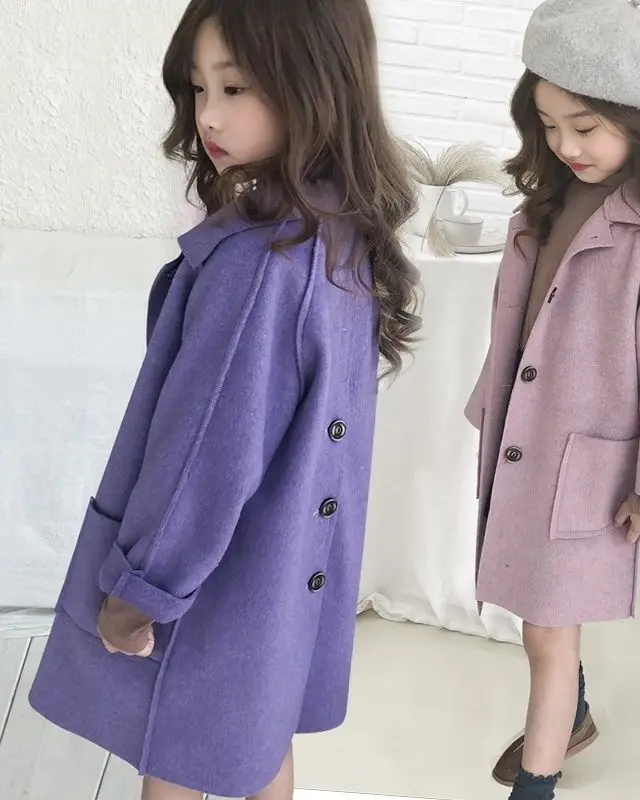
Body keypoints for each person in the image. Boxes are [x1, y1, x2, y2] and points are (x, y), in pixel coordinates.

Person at [28, 1, 421, 798]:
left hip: (215, 584)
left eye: (235, 87)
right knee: (254, 740)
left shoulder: (260, 264)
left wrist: (139, 590)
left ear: (316, 84)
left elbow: (205, 456)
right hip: (275, 577)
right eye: (198, 87)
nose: (207, 115)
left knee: (176, 757)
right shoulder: (337, 230)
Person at [464, 1, 640, 798]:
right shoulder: (541, 207)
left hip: (589, 469)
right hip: (526, 448)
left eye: (586, 127)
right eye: (549, 125)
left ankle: (537, 782)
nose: (567, 145)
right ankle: (571, 714)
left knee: (547, 631)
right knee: (535, 613)